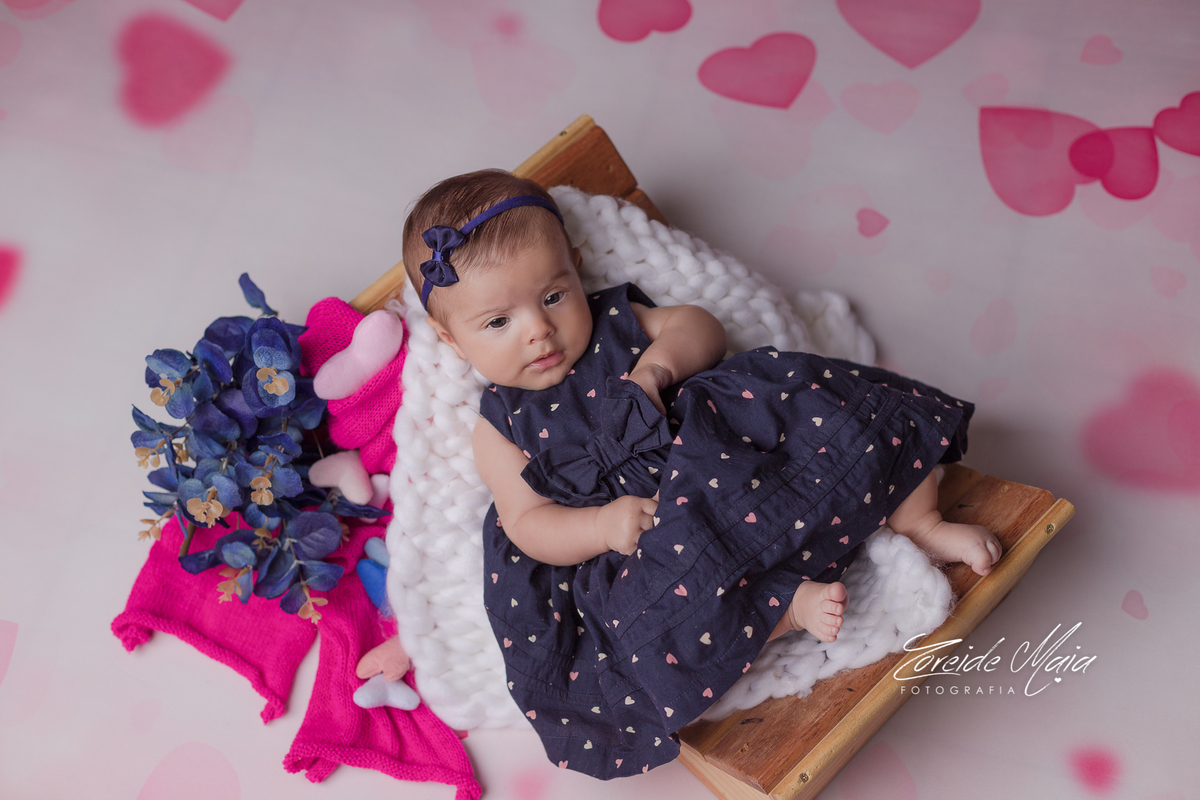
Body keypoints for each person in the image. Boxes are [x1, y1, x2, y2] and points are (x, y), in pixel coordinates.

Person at [399, 169, 1001, 779]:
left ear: (576, 269)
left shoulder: (616, 321)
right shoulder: (500, 427)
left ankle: (920, 519)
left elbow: (700, 327)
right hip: (645, 537)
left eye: (553, 296)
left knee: (838, 415)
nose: (538, 330)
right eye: (498, 323)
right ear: (452, 340)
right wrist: (600, 527)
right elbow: (527, 524)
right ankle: (781, 609)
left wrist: (656, 369)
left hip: (719, 459)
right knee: (645, 620)